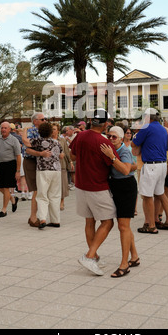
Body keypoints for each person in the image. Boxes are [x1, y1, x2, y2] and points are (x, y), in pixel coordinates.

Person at [70, 109, 119, 276]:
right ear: (106, 124)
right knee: (107, 222)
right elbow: (116, 164)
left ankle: (94, 256)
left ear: (91, 121)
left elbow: (72, 156)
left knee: (89, 221)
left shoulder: (80, 136)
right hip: (97, 186)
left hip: (80, 184)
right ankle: (89, 256)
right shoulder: (104, 142)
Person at [100, 126, 139, 278]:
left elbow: (125, 170)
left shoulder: (123, 151)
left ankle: (124, 264)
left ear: (122, 139)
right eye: (108, 136)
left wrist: (112, 157)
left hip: (126, 187)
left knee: (123, 226)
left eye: (114, 137)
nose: (110, 139)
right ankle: (134, 256)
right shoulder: (110, 149)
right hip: (115, 185)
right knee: (124, 226)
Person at [131, 108, 168, 234]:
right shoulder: (163, 129)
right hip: (161, 164)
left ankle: (151, 225)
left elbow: (134, 143)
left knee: (147, 196)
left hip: (151, 165)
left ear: (147, 117)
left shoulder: (146, 128)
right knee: (160, 193)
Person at [22, 122, 63, 229]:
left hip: (43, 170)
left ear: (40, 132)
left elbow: (25, 142)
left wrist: (25, 130)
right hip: (56, 170)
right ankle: (55, 220)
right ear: (51, 131)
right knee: (55, 195)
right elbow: (61, 155)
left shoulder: (39, 141)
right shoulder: (57, 142)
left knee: (42, 195)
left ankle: (43, 219)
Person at [0, 121, 21, 217]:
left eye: (5, 128)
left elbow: (18, 156)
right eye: (2, 128)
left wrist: (18, 171)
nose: (3, 129)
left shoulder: (14, 140)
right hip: (1, 165)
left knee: (6, 187)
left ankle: (4, 210)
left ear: (10, 129)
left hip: (11, 164)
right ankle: (13, 199)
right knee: (0, 188)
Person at [23, 112, 46, 227]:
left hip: (41, 162)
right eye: (42, 119)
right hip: (31, 161)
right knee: (36, 190)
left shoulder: (44, 131)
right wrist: (40, 151)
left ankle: (38, 216)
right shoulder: (30, 131)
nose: (45, 121)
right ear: (35, 121)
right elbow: (27, 146)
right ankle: (33, 218)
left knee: (40, 190)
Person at [51, 123, 73, 210]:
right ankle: (54, 202)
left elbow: (67, 152)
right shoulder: (48, 140)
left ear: (58, 130)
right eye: (51, 129)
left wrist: (70, 162)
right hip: (51, 166)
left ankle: (62, 202)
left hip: (61, 164)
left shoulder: (62, 140)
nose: (53, 131)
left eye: (54, 129)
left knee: (63, 184)